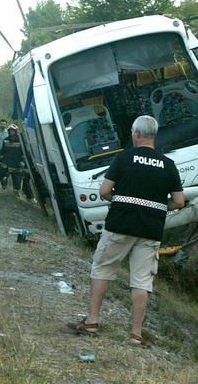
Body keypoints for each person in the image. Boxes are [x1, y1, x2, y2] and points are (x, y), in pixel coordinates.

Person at [67, 116, 185, 348]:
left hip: (120, 224)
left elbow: (104, 190)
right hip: (150, 229)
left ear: (137, 134)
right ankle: (135, 334)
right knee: (141, 281)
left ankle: (92, 322)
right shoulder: (168, 164)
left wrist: (119, 201)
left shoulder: (124, 157)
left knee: (103, 268)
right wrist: (160, 207)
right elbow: (179, 201)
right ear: (154, 135)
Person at [0, 124, 32, 200]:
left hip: (17, 163)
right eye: (10, 131)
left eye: (13, 131)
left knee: (17, 179)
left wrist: (23, 162)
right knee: (0, 173)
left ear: (16, 132)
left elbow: (24, 153)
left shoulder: (21, 141)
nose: (11, 132)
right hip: (6, 162)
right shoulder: (6, 140)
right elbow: (3, 152)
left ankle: (16, 193)